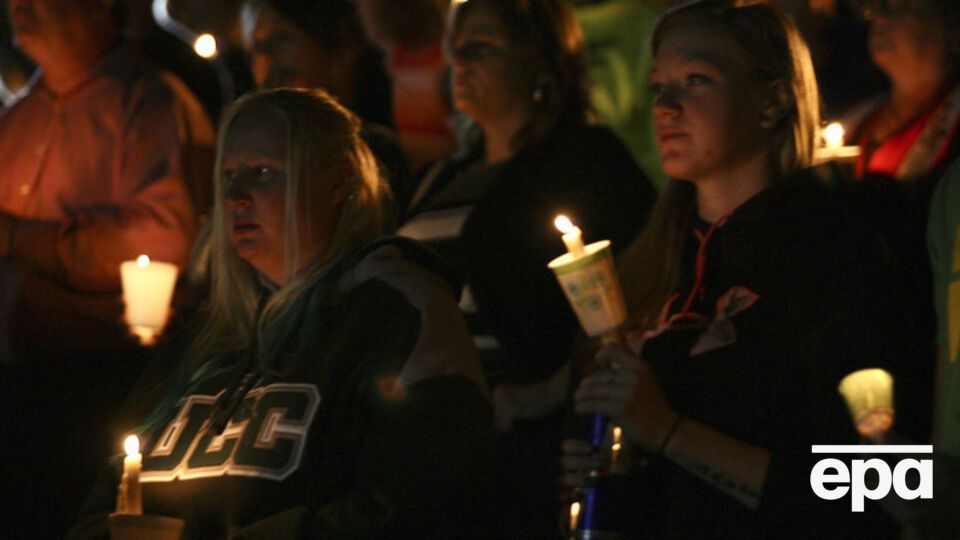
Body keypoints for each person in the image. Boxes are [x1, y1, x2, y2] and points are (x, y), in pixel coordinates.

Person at [68, 88, 494, 538]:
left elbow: (416, 502)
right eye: (228, 175)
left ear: (339, 183)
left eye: (264, 172)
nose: (235, 196)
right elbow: (106, 500)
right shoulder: (207, 337)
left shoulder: (395, 310)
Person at [563, 1, 916, 537]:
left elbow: (886, 485)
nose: (665, 106)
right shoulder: (655, 264)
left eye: (696, 80)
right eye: (659, 85)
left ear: (773, 100)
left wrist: (670, 433)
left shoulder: (834, 254)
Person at [399, 0, 656, 536]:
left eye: (481, 47)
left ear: (542, 60)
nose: (458, 60)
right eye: (455, 47)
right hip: (436, 437)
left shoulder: (585, 161)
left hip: (526, 441)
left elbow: (637, 290)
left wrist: (547, 390)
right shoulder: (443, 174)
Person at [0, 0, 213, 535]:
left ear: (97, 8)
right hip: (20, 385)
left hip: (103, 385)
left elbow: (160, 242)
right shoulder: (20, 116)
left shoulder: (149, 103)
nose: (19, 10)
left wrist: (22, 239)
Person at [352, 0, 456, 173]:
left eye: (363, 4)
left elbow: (457, 147)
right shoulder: (385, 64)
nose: (360, 11)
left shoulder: (448, 64)